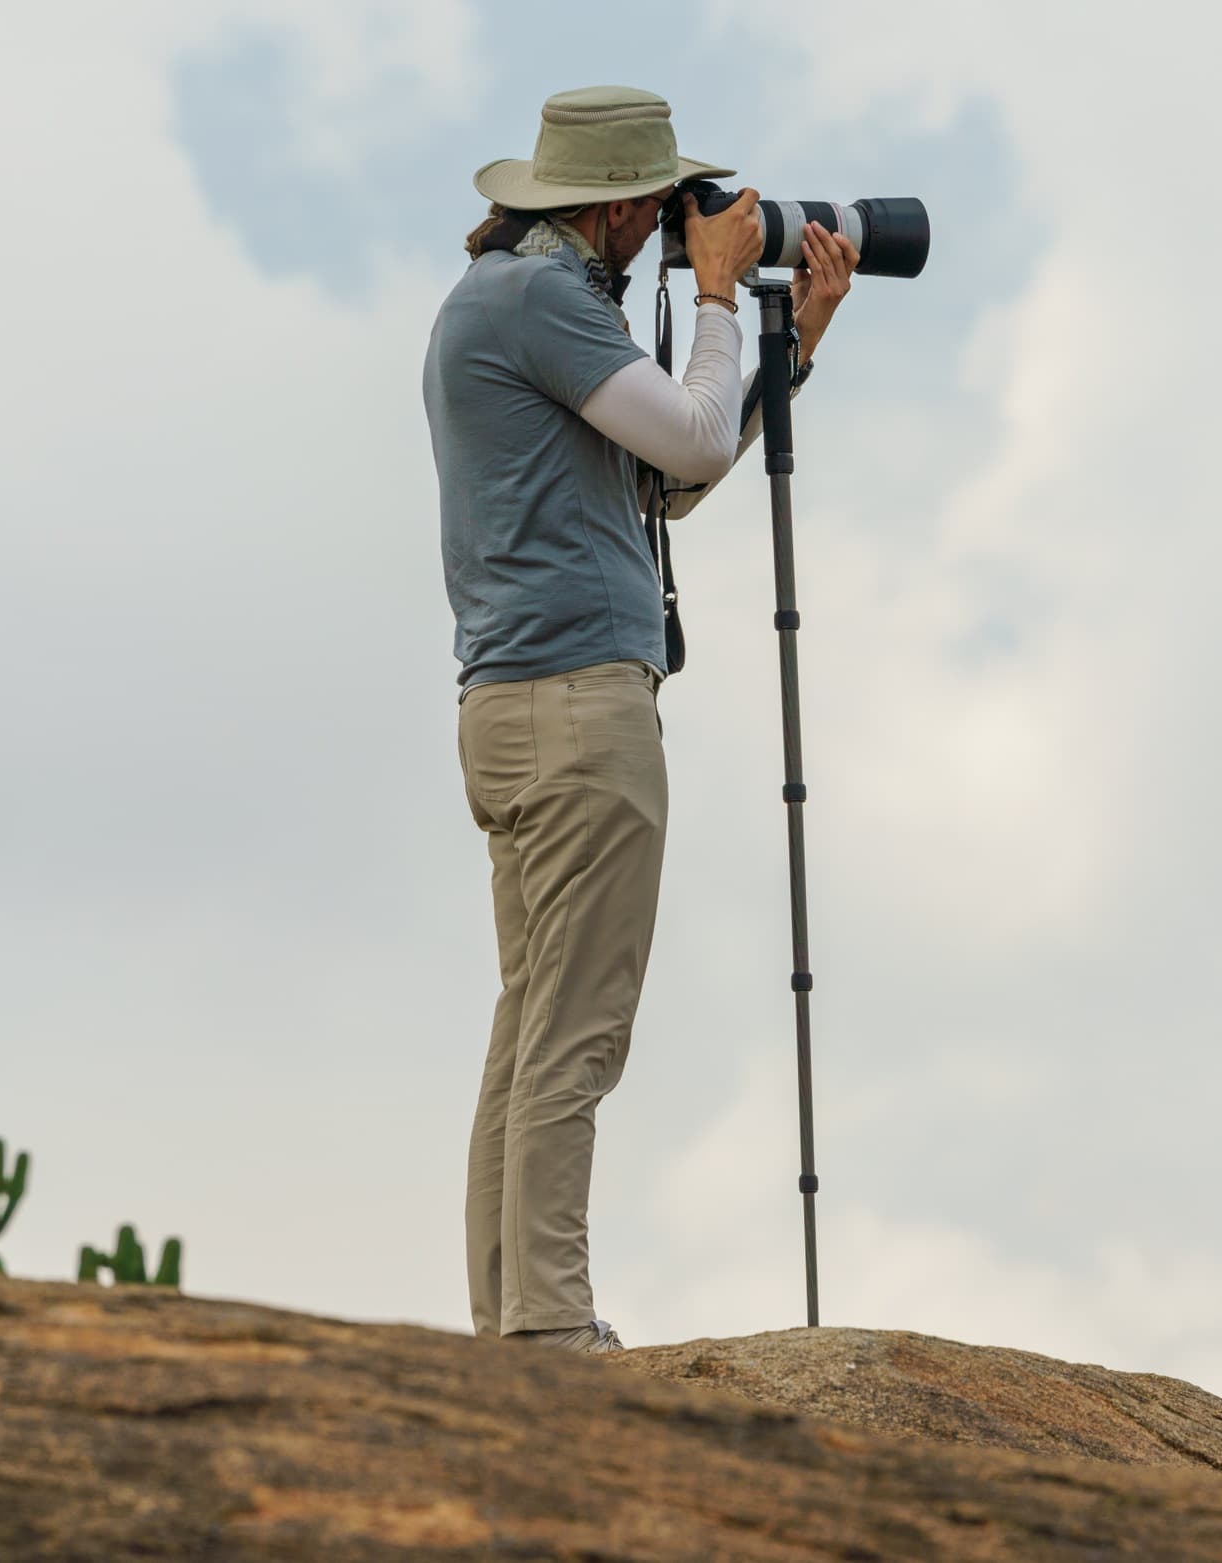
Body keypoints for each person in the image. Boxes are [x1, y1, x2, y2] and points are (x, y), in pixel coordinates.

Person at [422, 85, 859, 1354]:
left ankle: (512, 1323)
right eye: (665, 204)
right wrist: (722, 298)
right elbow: (697, 443)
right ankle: (549, 1334)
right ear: (617, 203)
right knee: (574, 1035)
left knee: (529, 1032)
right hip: (575, 712)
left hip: (516, 709)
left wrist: (795, 346)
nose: (680, 225)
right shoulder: (540, 302)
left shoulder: (519, 298)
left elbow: (665, 482)